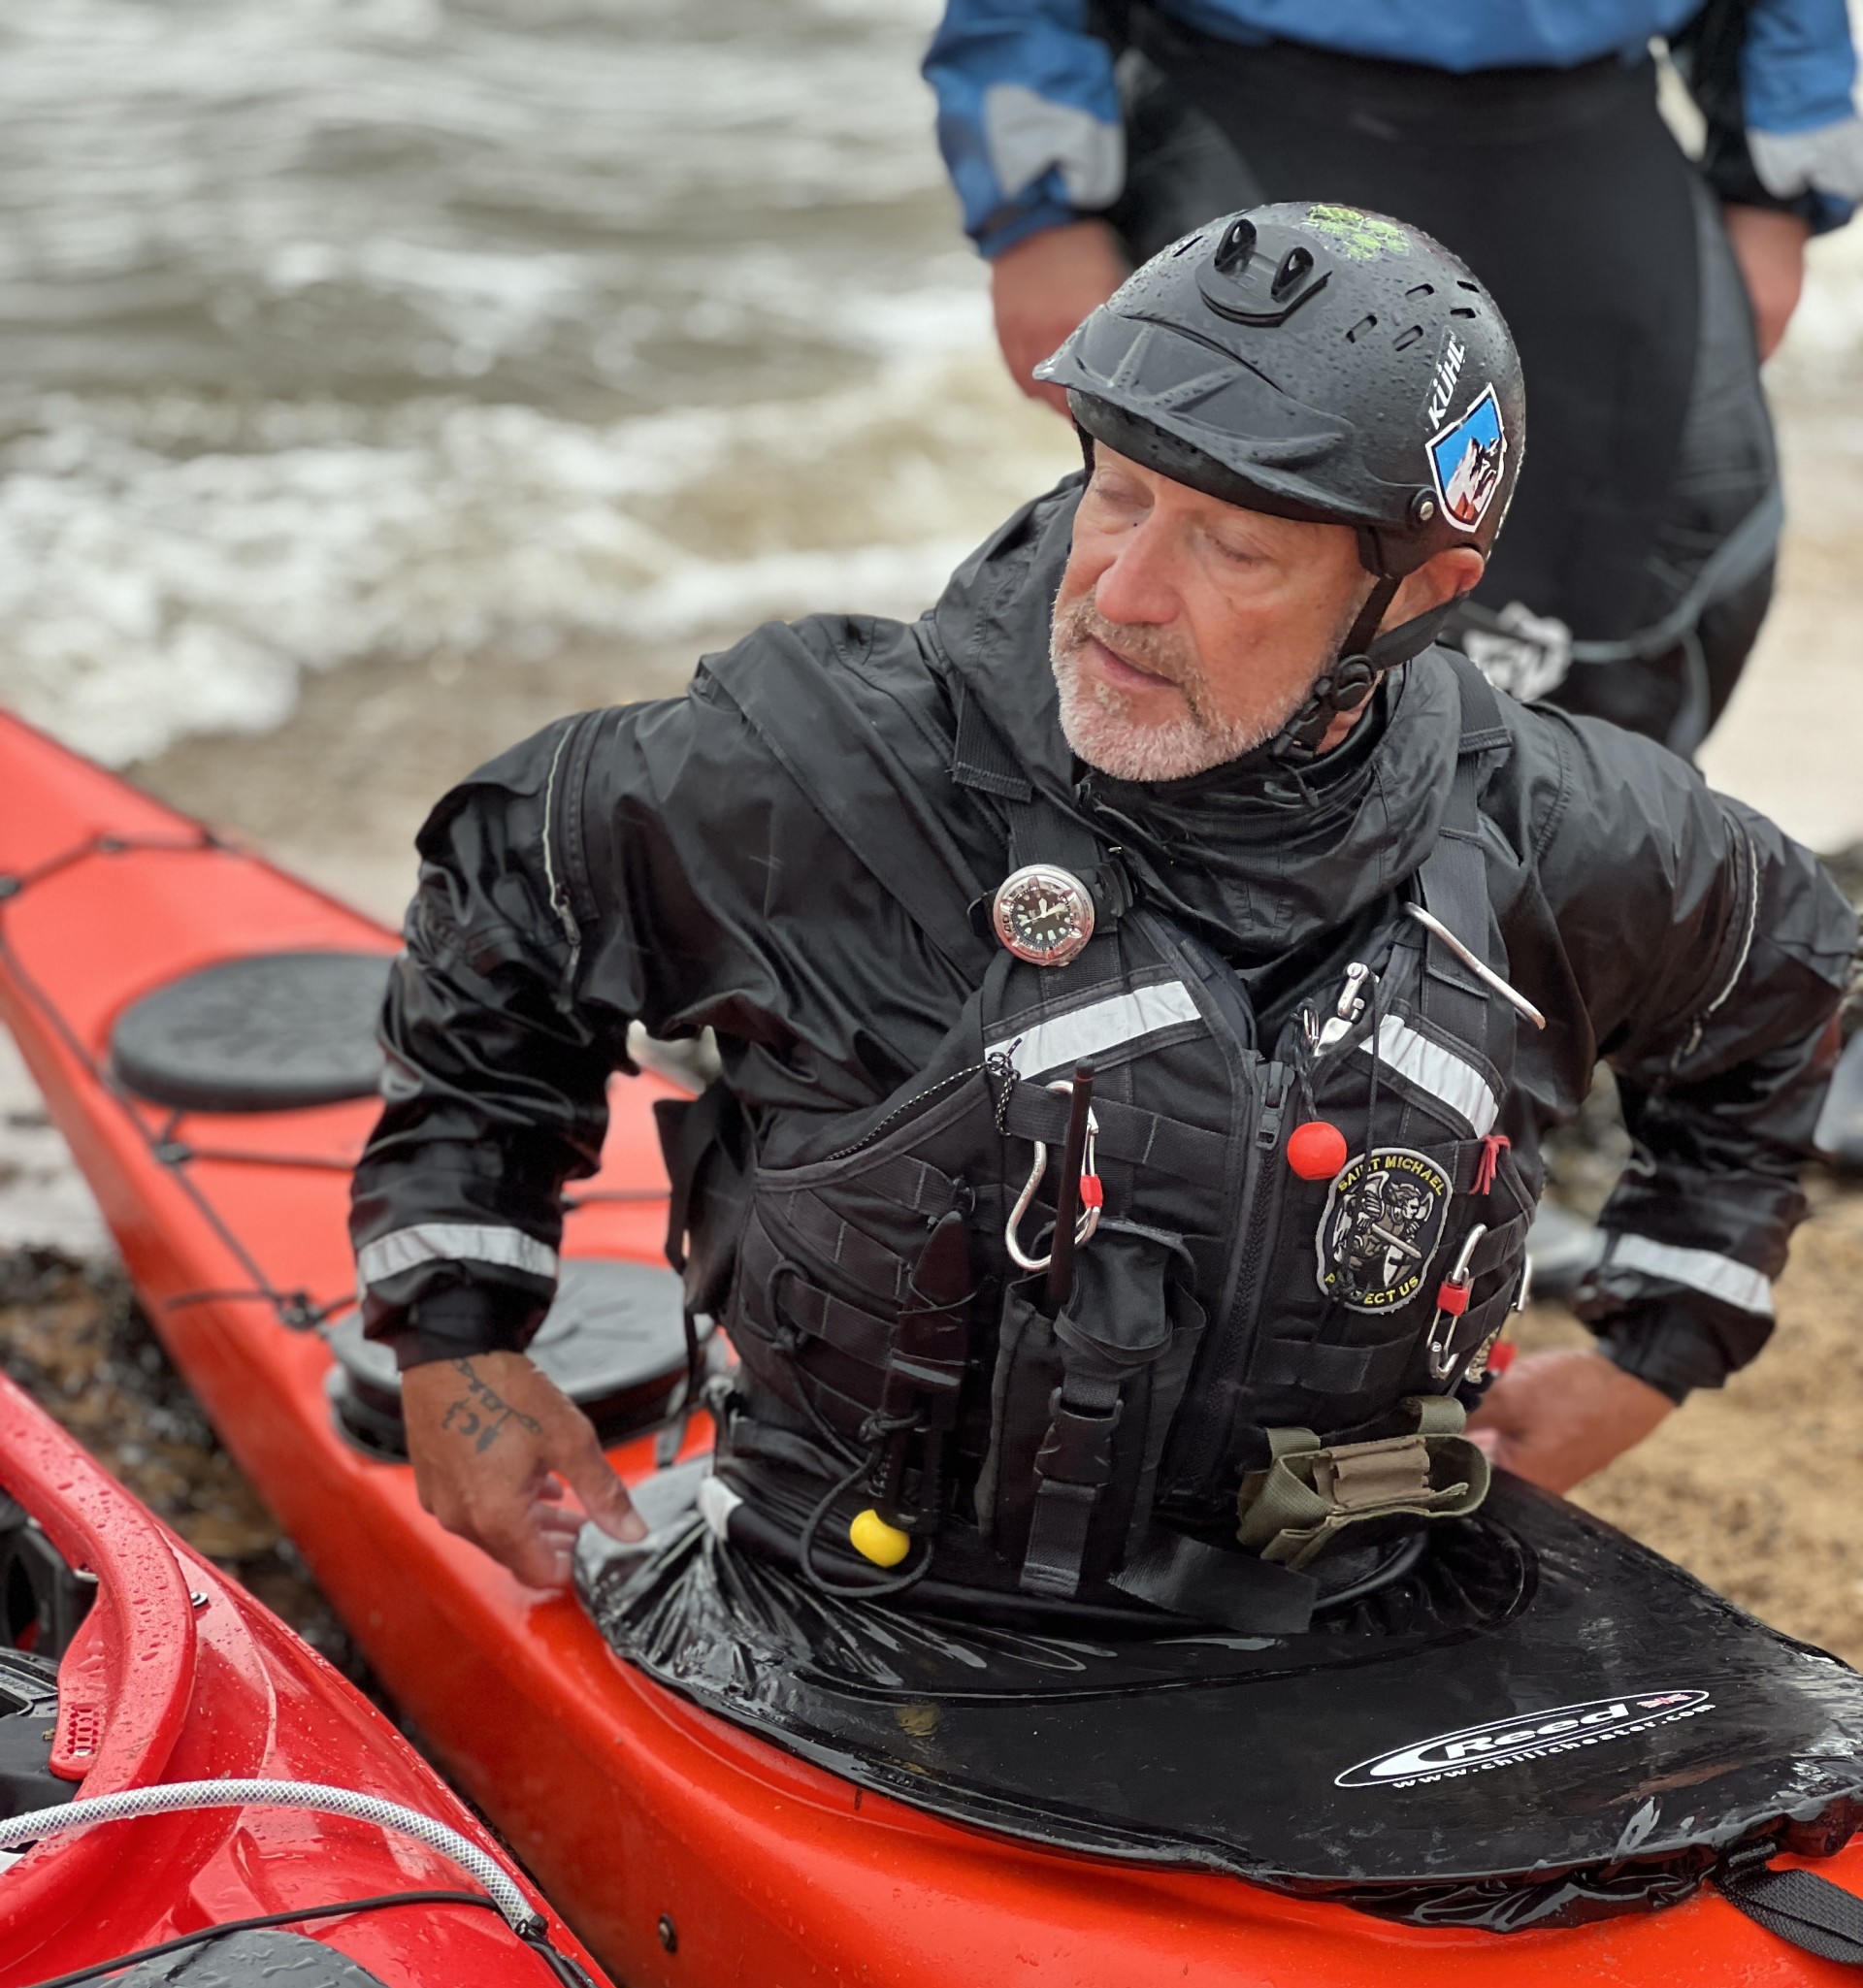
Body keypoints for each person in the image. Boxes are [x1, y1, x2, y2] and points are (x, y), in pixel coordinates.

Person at [350, 209, 1851, 1615]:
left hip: (1349, 1604)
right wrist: (461, 1334)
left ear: (1413, 594)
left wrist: (1655, 1349)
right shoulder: (821, 767)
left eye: (1232, 546)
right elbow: (510, 889)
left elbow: (1781, 984)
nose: (1124, 592)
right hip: (857, 1598)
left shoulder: (1565, 834)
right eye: (1117, 492)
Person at [925, 0, 1863, 755]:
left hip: (1592, 123)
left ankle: (1569, 923)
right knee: (1219, 573)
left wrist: (1776, 188)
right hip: (1246, 97)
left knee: (1668, 566)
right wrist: (1038, 214)